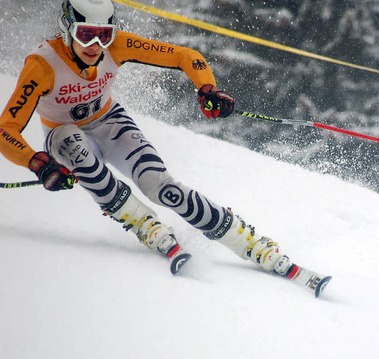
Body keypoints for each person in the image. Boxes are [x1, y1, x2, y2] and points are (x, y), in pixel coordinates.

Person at [0, 0, 319, 288]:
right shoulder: (41, 65)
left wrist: (206, 89)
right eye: (86, 35)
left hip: (110, 121)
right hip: (64, 132)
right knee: (84, 160)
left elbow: (186, 56)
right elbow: (6, 129)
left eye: (104, 35)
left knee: (161, 186)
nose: (96, 46)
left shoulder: (117, 48)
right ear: (66, 28)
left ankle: (248, 240)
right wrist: (36, 162)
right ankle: (142, 222)